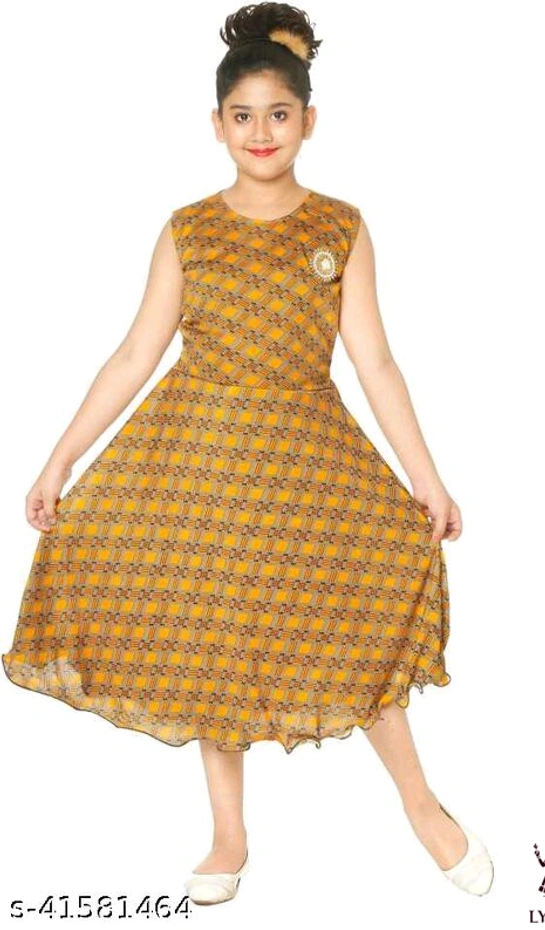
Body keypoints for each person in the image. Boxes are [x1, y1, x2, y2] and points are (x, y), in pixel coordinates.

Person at [2, 1, 494, 906]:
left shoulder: (340, 227)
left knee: (351, 613)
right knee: (211, 635)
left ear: (309, 120)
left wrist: (427, 478)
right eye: (242, 116)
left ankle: (421, 805)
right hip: (198, 465)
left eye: (278, 114)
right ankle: (228, 832)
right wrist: (59, 458)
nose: (260, 132)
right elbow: (135, 353)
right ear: (216, 124)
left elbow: (375, 361)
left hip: (307, 463)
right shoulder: (188, 228)